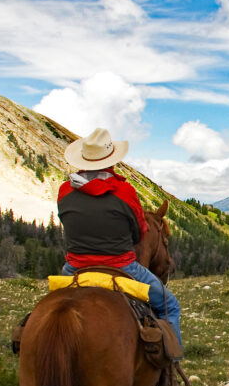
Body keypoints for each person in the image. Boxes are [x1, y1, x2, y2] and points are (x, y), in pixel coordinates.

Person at [57, 127, 182, 348]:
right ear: (111, 160)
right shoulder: (124, 192)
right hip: (123, 267)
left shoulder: (65, 191)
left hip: (74, 268)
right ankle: (173, 364)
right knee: (170, 305)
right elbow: (139, 233)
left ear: (83, 160)